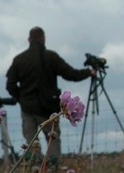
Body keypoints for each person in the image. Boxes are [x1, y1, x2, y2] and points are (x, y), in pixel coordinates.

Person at [5, 26, 94, 164]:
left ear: (29, 40)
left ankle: (34, 169)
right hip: (48, 108)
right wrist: (89, 72)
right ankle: (52, 167)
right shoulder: (52, 57)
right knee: (52, 138)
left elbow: (10, 85)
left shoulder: (19, 60)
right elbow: (71, 74)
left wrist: (21, 99)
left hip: (27, 108)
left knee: (30, 141)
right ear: (43, 38)